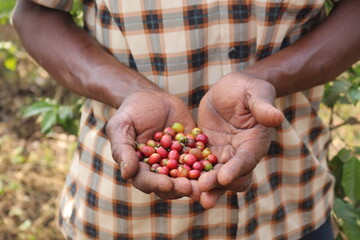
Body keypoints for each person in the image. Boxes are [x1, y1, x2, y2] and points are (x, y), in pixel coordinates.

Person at [13, 0, 359, 239]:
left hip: (290, 201)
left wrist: (267, 78)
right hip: (123, 216)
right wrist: (129, 91)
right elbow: (34, 13)